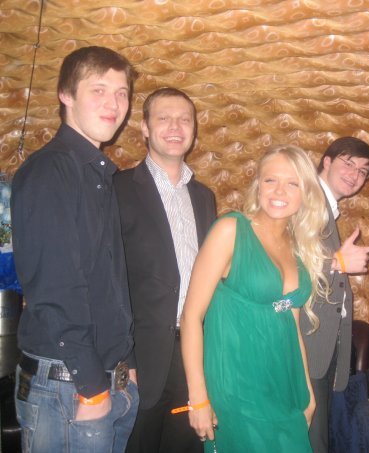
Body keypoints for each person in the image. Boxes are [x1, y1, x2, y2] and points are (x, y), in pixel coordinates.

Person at [10, 46, 139, 452]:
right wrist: (92, 387)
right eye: (98, 90)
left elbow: (109, 284)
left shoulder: (96, 175)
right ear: (66, 94)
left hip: (104, 380)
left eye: (121, 93)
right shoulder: (51, 171)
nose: (114, 104)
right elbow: (56, 290)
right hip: (70, 387)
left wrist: (128, 365)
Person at [180, 145, 329, 452]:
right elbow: (191, 316)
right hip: (237, 382)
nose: (279, 191)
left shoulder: (296, 244)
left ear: (306, 193)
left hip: (284, 382)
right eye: (270, 180)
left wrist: (307, 392)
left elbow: (291, 321)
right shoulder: (231, 229)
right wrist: (198, 397)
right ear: (258, 185)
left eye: (292, 183)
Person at [114, 87, 216, 453]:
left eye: (184, 119)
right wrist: (124, 357)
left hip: (193, 352)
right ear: (144, 128)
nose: (175, 127)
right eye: (164, 118)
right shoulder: (117, 188)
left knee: (185, 446)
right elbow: (108, 280)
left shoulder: (204, 196)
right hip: (139, 357)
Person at [300, 136, 369, 453]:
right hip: (306, 343)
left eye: (363, 171)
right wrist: (336, 263)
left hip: (319, 344)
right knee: (310, 441)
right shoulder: (307, 201)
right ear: (326, 161)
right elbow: (285, 262)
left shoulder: (324, 206)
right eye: (348, 163)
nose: (355, 175)